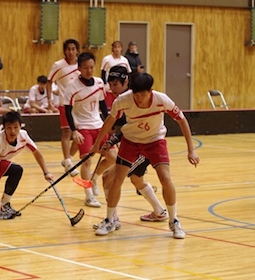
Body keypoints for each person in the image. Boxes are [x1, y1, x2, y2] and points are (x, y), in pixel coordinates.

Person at [90, 72, 199, 238]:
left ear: (151, 91)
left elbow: (182, 120)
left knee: (165, 178)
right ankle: (110, 220)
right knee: (117, 179)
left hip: (155, 141)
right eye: (136, 94)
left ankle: (174, 221)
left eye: (143, 94)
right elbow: (109, 122)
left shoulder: (162, 100)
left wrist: (191, 149)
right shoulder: (123, 101)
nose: (139, 98)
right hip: (131, 141)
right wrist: (97, 144)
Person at [92, 66, 169, 230]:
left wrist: (111, 140)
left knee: (109, 177)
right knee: (135, 178)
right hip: (133, 143)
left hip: (146, 144)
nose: (112, 88)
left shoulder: (135, 98)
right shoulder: (123, 101)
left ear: (125, 82)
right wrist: (110, 141)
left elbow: (135, 128)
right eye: (110, 84)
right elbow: (127, 128)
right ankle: (159, 211)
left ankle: (112, 219)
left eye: (115, 84)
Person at [63, 52, 117, 208]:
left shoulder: (100, 83)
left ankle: (94, 178)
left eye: (92, 67)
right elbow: (67, 110)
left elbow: (102, 105)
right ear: (79, 68)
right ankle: (88, 195)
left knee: (112, 157)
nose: (89, 70)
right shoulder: (72, 86)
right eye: (85, 67)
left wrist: (110, 123)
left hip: (99, 126)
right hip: (83, 128)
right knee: (87, 161)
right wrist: (74, 131)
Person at [46, 38, 81, 177]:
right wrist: (49, 100)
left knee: (81, 133)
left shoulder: (82, 64)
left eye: (73, 49)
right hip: (65, 103)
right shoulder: (58, 65)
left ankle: (69, 160)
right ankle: (68, 162)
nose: (71, 52)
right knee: (67, 132)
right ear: (64, 51)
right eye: (68, 49)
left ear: (77, 50)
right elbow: (49, 83)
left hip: (80, 104)